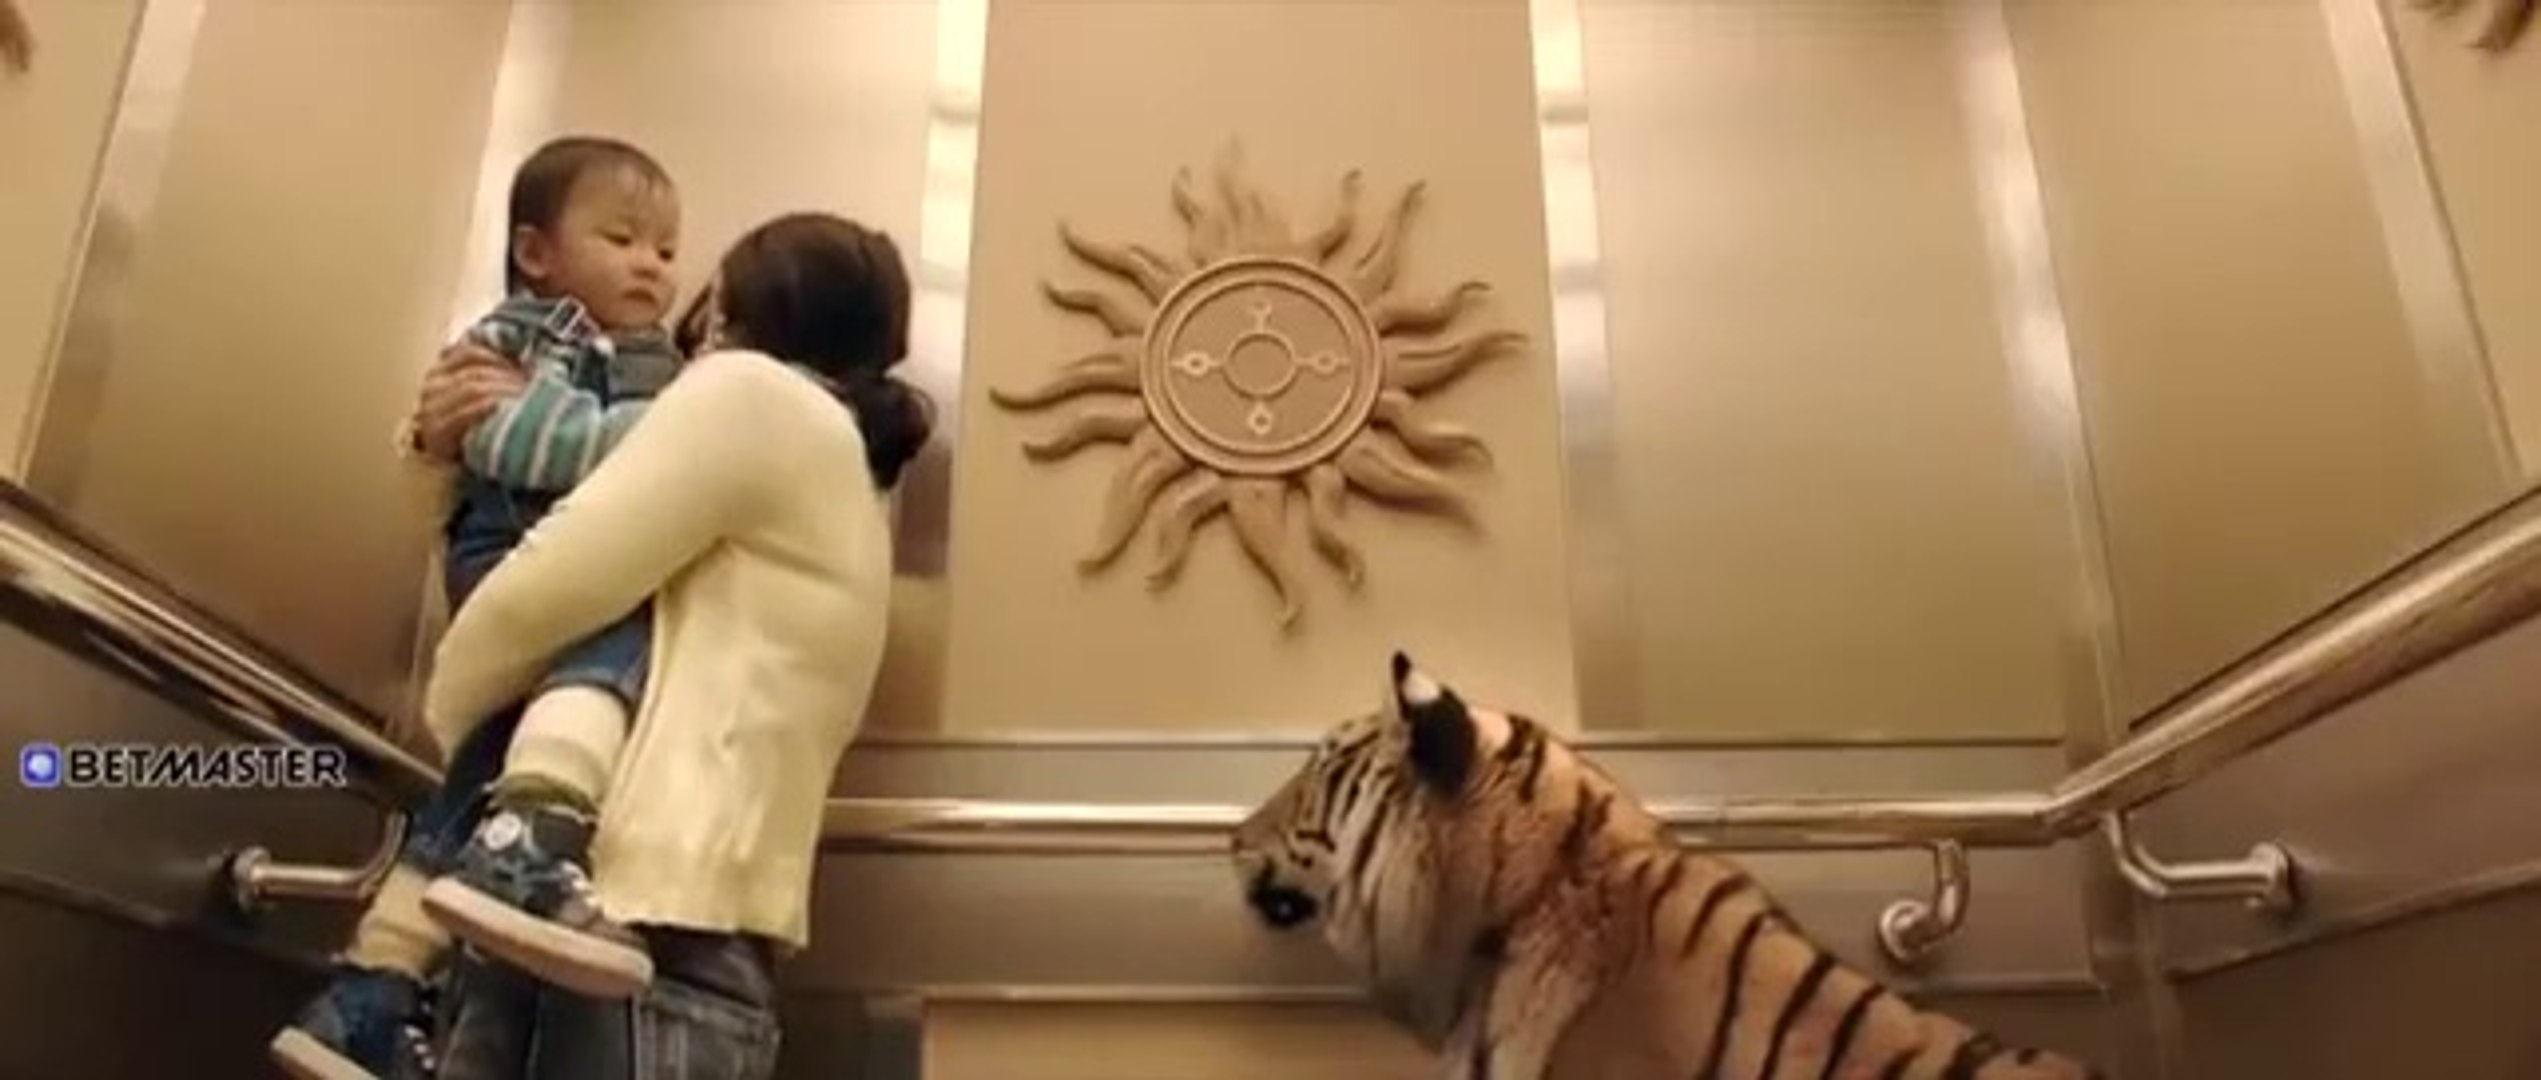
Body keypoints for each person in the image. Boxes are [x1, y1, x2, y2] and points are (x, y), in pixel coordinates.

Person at [410, 212, 933, 1077]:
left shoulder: (753, 397)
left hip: (629, 918)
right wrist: (437, 449)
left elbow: (542, 590)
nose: (692, 337)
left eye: (711, 312)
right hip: (687, 932)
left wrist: (451, 720)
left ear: (739, 314)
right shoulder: (843, 463)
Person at [270, 134, 687, 1080]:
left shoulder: (653, 356)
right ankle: (526, 840)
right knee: (622, 640)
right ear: (536, 253)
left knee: (488, 760)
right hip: (512, 562)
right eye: (622, 238)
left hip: (555, 570)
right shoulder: (525, 334)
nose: (652, 265)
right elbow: (507, 441)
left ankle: (370, 986)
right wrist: (657, 436)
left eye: (666, 249)